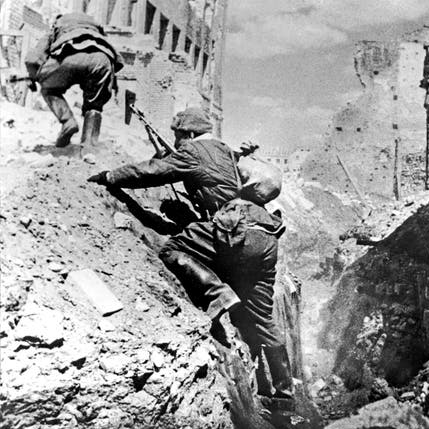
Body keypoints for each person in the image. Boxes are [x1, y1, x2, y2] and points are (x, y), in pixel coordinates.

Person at [88, 108, 294, 402]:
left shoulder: (194, 150)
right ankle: (285, 397)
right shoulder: (223, 150)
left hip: (234, 228)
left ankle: (219, 293)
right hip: (266, 235)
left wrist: (111, 175)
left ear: (190, 134)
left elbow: (152, 172)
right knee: (263, 319)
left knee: (172, 249)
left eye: (180, 138)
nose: (179, 143)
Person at [25, 12, 123, 147]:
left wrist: (33, 76)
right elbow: (115, 62)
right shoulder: (98, 32)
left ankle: (67, 122)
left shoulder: (57, 27)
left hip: (68, 56)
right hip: (102, 60)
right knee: (94, 106)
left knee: (49, 89)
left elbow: (32, 59)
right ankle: (89, 145)